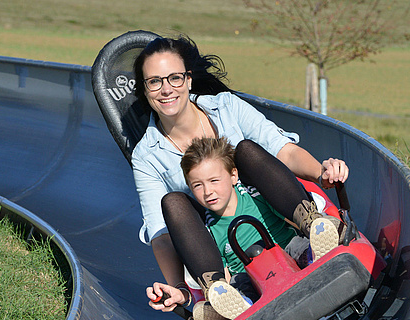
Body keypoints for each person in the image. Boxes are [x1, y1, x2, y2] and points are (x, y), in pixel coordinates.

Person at [130, 35, 349, 318]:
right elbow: (161, 234)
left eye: (174, 78)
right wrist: (178, 290)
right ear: (145, 90)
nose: (166, 89)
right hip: (220, 247)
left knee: (244, 149)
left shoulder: (226, 108)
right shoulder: (147, 156)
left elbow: (282, 150)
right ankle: (220, 293)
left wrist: (322, 173)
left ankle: (315, 228)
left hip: (273, 215)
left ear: (188, 80)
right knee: (173, 201)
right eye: (155, 81)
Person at [179, 137, 342, 318]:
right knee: (238, 284)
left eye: (214, 181)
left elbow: (289, 216)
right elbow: (224, 275)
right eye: (198, 186)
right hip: (250, 277)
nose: (208, 191)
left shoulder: (255, 195)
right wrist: (222, 293)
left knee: (297, 245)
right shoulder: (209, 230)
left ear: (233, 176)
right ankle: (238, 307)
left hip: (285, 252)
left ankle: (316, 254)